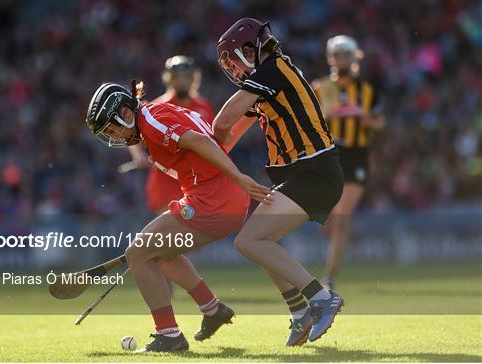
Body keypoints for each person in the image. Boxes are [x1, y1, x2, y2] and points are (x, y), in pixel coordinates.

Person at [85, 81, 270, 352]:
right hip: (215, 196)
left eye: (113, 129)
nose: (115, 137)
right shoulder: (153, 117)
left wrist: (238, 177)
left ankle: (169, 335)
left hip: (215, 200)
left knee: (138, 253)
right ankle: (212, 309)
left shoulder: (152, 122)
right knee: (161, 254)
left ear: (126, 113)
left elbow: (199, 140)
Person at [212, 18, 344, 347]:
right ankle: (300, 312)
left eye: (233, 60)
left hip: (315, 172)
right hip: (307, 174)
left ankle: (320, 297)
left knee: (249, 241)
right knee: (257, 241)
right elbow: (227, 138)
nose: (233, 69)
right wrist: (199, 162)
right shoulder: (267, 81)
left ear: (248, 50)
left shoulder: (272, 71)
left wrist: (208, 146)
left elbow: (222, 122)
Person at [312, 36, 385, 290]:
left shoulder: (367, 90)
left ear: (355, 58)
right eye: (338, 55)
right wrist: (327, 117)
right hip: (329, 156)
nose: (342, 60)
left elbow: (380, 123)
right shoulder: (320, 88)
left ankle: (329, 278)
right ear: (331, 58)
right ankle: (334, 238)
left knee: (342, 217)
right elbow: (309, 123)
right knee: (328, 224)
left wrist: (366, 119)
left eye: (346, 56)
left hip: (356, 156)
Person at [129, 55, 215, 214]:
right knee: (170, 234)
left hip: (196, 181)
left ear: (194, 79)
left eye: (186, 77)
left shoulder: (204, 107)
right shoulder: (156, 107)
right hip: (165, 183)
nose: (181, 81)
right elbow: (134, 135)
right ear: (168, 79)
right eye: (177, 77)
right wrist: (138, 155)